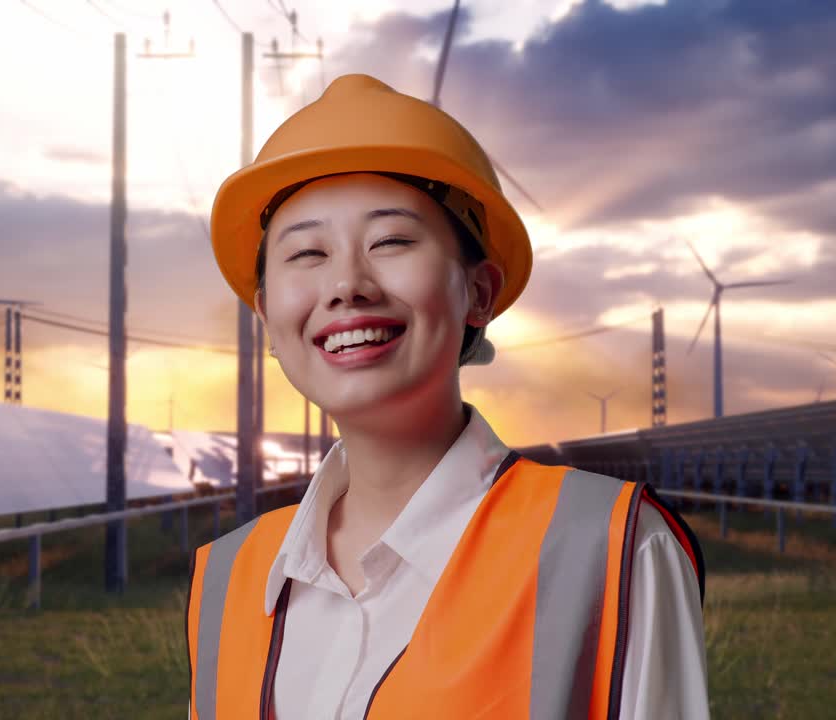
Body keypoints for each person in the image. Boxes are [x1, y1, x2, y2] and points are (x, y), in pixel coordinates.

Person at [187, 74, 708, 719]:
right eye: (307, 253)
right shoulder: (227, 581)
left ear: (479, 293)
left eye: (392, 241)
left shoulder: (610, 546)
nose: (347, 284)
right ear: (267, 315)